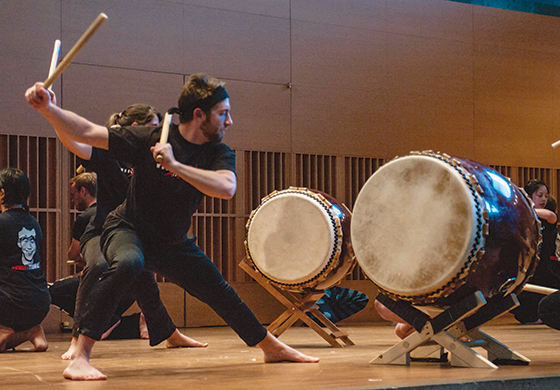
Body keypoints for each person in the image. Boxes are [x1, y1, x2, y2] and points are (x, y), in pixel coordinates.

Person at [26, 74, 318, 381]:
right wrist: (49, 110)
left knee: (218, 289)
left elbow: (226, 187)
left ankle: (270, 346)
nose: (229, 121)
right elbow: (86, 131)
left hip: (171, 242)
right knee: (129, 263)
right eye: (223, 113)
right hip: (128, 228)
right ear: (198, 115)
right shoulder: (150, 137)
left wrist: (175, 166)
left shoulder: (217, 153)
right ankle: (80, 357)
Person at [52, 104, 206, 361]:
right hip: (101, 231)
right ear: (137, 128)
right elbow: (76, 143)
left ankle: (170, 335)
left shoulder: (151, 157)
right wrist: (53, 114)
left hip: (129, 233)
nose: (159, 133)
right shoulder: (110, 150)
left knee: (145, 281)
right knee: (98, 265)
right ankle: (77, 337)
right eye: (154, 127)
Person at [0, 168, 51, 352]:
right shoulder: (34, 223)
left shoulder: (2, 222)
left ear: (2, 193)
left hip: (10, 304)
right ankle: (32, 331)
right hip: (40, 302)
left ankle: (18, 333)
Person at [512, 180, 560, 324]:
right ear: (529, 195)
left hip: (547, 266)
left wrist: (525, 208)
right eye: (540, 195)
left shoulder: (546, 217)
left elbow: (551, 216)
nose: (544, 199)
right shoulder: (520, 218)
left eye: (546, 195)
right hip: (528, 265)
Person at [68, 172, 97, 264]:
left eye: (73, 194)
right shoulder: (112, 213)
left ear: (83, 191)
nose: (72, 200)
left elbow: (73, 254)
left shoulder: (83, 218)